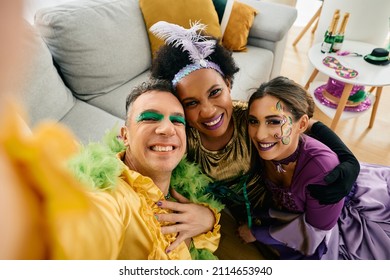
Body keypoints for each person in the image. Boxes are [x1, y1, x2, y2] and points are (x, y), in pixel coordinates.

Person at [149, 21, 360, 259]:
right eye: (191, 103)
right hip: (233, 219)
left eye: (215, 92)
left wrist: (346, 156)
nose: (208, 111)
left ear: (228, 84)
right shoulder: (183, 138)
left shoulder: (248, 116)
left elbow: (302, 122)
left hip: (282, 211)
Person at [237, 76, 390, 259]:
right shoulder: (266, 146)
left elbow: (315, 231)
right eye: (254, 121)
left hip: (337, 227)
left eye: (274, 121)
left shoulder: (321, 171)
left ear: (301, 124)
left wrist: (257, 233)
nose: (260, 135)